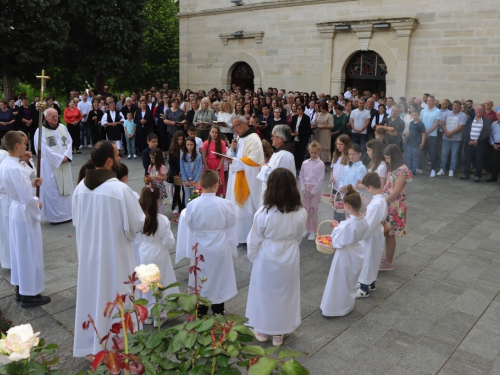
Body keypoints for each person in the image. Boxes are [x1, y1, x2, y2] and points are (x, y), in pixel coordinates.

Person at [72, 140, 145, 357]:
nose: (121, 158)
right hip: (115, 258)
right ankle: (119, 347)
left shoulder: (80, 188)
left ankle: (92, 345)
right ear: (109, 161)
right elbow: (137, 224)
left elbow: (77, 221)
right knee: (116, 297)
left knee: (92, 296)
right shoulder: (120, 189)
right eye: (118, 155)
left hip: (89, 256)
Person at [246, 168, 307, 346]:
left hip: (267, 254)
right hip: (289, 253)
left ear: (270, 188)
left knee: (264, 291)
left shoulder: (264, 213)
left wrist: (253, 257)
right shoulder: (300, 212)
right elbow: (299, 236)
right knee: (286, 292)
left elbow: (254, 240)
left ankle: (263, 329)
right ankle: (279, 332)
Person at [0, 130, 48, 308]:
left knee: (19, 252)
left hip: (15, 209)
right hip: (24, 211)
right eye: (25, 144)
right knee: (29, 252)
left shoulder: (7, 163)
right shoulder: (14, 167)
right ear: (17, 145)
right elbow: (27, 198)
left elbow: (20, 186)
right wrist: (37, 203)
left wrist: (31, 183)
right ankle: (30, 294)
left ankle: (21, 288)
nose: (27, 146)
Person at [182, 170, 238, 316]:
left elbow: (190, 224)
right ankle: (218, 309)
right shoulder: (225, 203)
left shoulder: (193, 204)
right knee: (219, 276)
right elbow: (231, 222)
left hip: (200, 245)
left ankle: (201, 308)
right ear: (216, 184)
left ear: (200, 184)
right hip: (219, 243)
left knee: (201, 274)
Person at [320, 185, 368, 317]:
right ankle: (347, 305)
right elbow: (353, 232)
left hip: (344, 254)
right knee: (350, 281)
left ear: (347, 205)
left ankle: (334, 308)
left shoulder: (347, 224)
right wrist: (340, 226)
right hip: (356, 251)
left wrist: (336, 228)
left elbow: (338, 241)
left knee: (339, 279)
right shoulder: (363, 220)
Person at [136, 186, 179, 327]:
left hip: (144, 251)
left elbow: (136, 238)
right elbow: (169, 242)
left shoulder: (139, 219)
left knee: (147, 282)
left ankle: (148, 313)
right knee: (162, 282)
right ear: (157, 201)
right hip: (159, 253)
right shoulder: (162, 220)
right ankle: (160, 314)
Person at [225, 116, 265, 246]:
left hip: (248, 179)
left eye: (236, 126)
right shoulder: (239, 137)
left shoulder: (253, 138)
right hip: (237, 176)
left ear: (244, 124)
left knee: (246, 209)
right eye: (233, 127)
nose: (235, 129)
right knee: (237, 209)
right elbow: (235, 155)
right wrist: (232, 148)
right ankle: (238, 235)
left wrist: (236, 161)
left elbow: (254, 160)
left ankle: (247, 237)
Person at [34, 108, 73, 224]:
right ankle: (56, 217)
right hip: (50, 166)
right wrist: (60, 159)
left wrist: (66, 156)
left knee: (66, 188)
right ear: (45, 117)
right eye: (52, 116)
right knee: (53, 189)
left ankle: (68, 214)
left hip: (64, 165)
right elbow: (41, 149)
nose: (56, 118)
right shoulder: (40, 131)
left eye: (56, 116)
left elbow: (70, 142)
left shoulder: (63, 128)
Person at [379, 145, 412, 271]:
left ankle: (389, 262)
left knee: (390, 233)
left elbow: (396, 191)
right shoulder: (394, 168)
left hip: (394, 204)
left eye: (388, 158)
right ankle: (387, 260)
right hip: (389, 202)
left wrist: (383, 202)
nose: (387, 160)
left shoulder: (402, 170)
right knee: (387, 232)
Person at [354, 173, 388, 298]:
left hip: (371, 234)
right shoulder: (381, 198)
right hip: (376, 232)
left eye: (367, 189)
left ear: (371, 187)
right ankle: (372, 283)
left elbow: (369, 224)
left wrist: (360, 233)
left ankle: (364, 289)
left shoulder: (376, 204)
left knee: (367, 260)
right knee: (373, 259)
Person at [257, 125, 296, 205]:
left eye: (273, 136)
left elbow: (277, 176)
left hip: (278, 197)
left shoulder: (284, 155)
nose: (271, 138)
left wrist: (263, 168)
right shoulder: (280, 153)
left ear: (280, 139)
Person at [300, 141, 325, 241]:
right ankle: (307, 228)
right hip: (306, 188)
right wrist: (303, 189)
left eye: (315, 152)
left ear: (319, 152)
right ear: (309, 152)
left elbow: (320, 179)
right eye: (311, 153)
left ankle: (313, 230)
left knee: (314, 210)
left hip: (315, 189)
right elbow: (301, 176)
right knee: (306, 209)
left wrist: (313, 192)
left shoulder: (321, 164)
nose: (313, 155)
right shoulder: (305, 163)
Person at [460, 105, 492, 182]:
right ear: (475, 111)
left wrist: (478, 141)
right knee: (467, 160)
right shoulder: (470, 120)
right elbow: (466, 131)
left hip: (480, 144)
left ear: (483, 111)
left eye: (481, 110)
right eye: (477, 110)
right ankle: (466, 174)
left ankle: (478, 175)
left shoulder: (486, 121)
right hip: (469, 143)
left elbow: (487, 133)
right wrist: (469, 140)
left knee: (479, 160)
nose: (479, 111)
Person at [437, 100, 467, 177]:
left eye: (457, 105)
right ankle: (442, 169)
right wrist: (447, 132)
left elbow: (460, 127)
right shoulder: (447, 113)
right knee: (444, 154)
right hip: (446, 138)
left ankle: (451, 170)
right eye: (454, 105)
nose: (455, 107)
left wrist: (450, 133)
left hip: (456, 139)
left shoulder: (463, 115)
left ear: (460, 107)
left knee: (454, 155)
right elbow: (443, 124)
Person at [202, 125, 226, 196]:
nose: (214, 134)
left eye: (216, 132)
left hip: (218, 164)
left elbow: (223, 156)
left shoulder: (222, 143)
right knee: (209, 184)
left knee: (217, 184)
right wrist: (206, 168)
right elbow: (203, 156)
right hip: (209, 164)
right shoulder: (206, 143)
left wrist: (218, 168)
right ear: (209, 132)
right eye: (213, 132)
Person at [168, 131, 186, 218]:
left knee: (185, 190)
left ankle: (183, 205)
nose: (180, 141)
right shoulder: (172, 149)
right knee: (177, 190)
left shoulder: (185, 148)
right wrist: (175, 173)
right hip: (176, 173)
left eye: (182, 139)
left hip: (185, 172)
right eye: (178, 139)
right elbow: (170, 162)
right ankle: (177, 205)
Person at [180, 136, 202, 206]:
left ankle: (194, 211)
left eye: (191, 145)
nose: (189, 147)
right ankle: (187, 211)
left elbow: (199, 168)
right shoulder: (182, 155)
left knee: (194, 196)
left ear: (194, 145)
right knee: (187, 196)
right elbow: (182, 168)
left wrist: (196, 180)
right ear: (185, 145)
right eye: (188, 145)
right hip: (186, 179)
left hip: (195, 179)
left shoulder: (198, 155)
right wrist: (185, 180)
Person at [290, 103, 312, 171]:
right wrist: (292, 132)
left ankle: (300, 168)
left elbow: (308, 130)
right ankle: (295, 167)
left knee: (301, 154)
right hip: (294, 138)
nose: (297, 110)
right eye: (297, 108)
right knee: (295, 153)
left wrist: (299, 133)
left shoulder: (306, 118)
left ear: (302, 109)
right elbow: (292, 127)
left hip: (302, 138)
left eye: (299, 109)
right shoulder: (294, 117)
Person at [404, 110, 426, 176]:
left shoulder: (421, 124)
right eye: (413, 115)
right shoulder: (411, 123)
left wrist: (422, 142)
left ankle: (413, 171)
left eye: (416, 115)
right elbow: (409, 131)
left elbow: (423, 134)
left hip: (416, 143)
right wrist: (405, 138)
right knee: (409, 157)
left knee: (415, 157)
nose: (414, 116)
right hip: (410, 142)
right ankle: (409, 169)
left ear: (419, 116)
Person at [487, 111, 500, 183]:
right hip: (495, 144)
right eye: (498, 115)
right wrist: (493, 144)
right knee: (494, 162)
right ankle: (493, 177)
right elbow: (490, 135)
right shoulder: (494, 124)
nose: (499, 117)